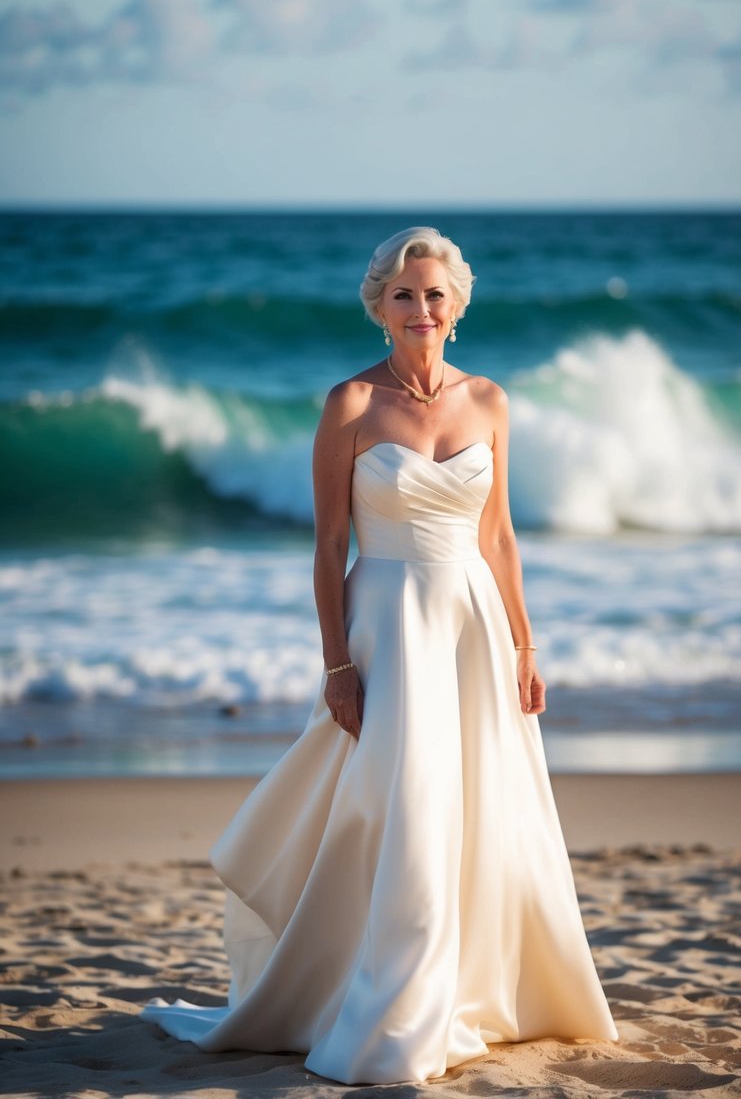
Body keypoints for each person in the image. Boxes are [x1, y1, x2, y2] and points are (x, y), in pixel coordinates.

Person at [140, 226, 618, 1083]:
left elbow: (499, 536)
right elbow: (328, 548)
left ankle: (476, 990)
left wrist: (524, 644)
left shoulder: (490, 402)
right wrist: (336, 666)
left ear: (456, 305)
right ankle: (392, 1006)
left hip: (472, 623)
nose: (421, 309)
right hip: (388, 624)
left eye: (434, 295)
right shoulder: (350, 405)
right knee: (405, 806)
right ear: (380, 308)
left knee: (478, 805)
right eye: (404, 296)